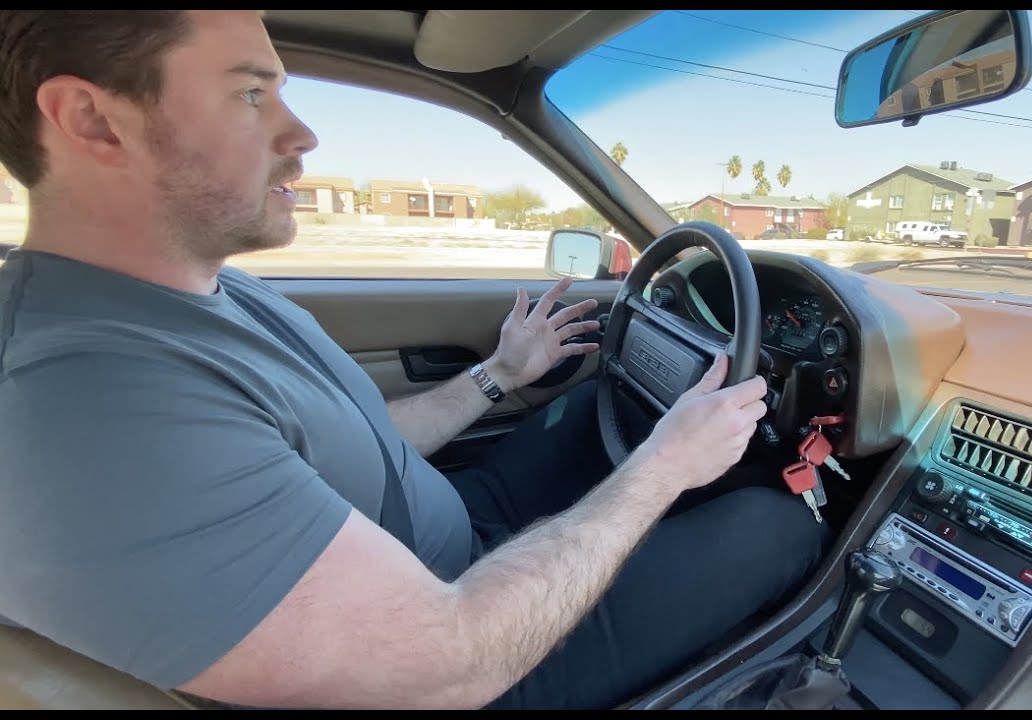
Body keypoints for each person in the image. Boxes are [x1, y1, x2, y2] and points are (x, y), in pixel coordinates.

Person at [0, 10, 830, 711]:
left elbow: (343, 442)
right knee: (776, 525)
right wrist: (665, 468)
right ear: (92, 120)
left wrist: (499, 375)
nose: (303, 134)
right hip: (473, 657)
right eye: (251, 93)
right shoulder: (88, 406)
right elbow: (453, 661)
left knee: (579, 412)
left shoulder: (205, 291)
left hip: (445, 528)